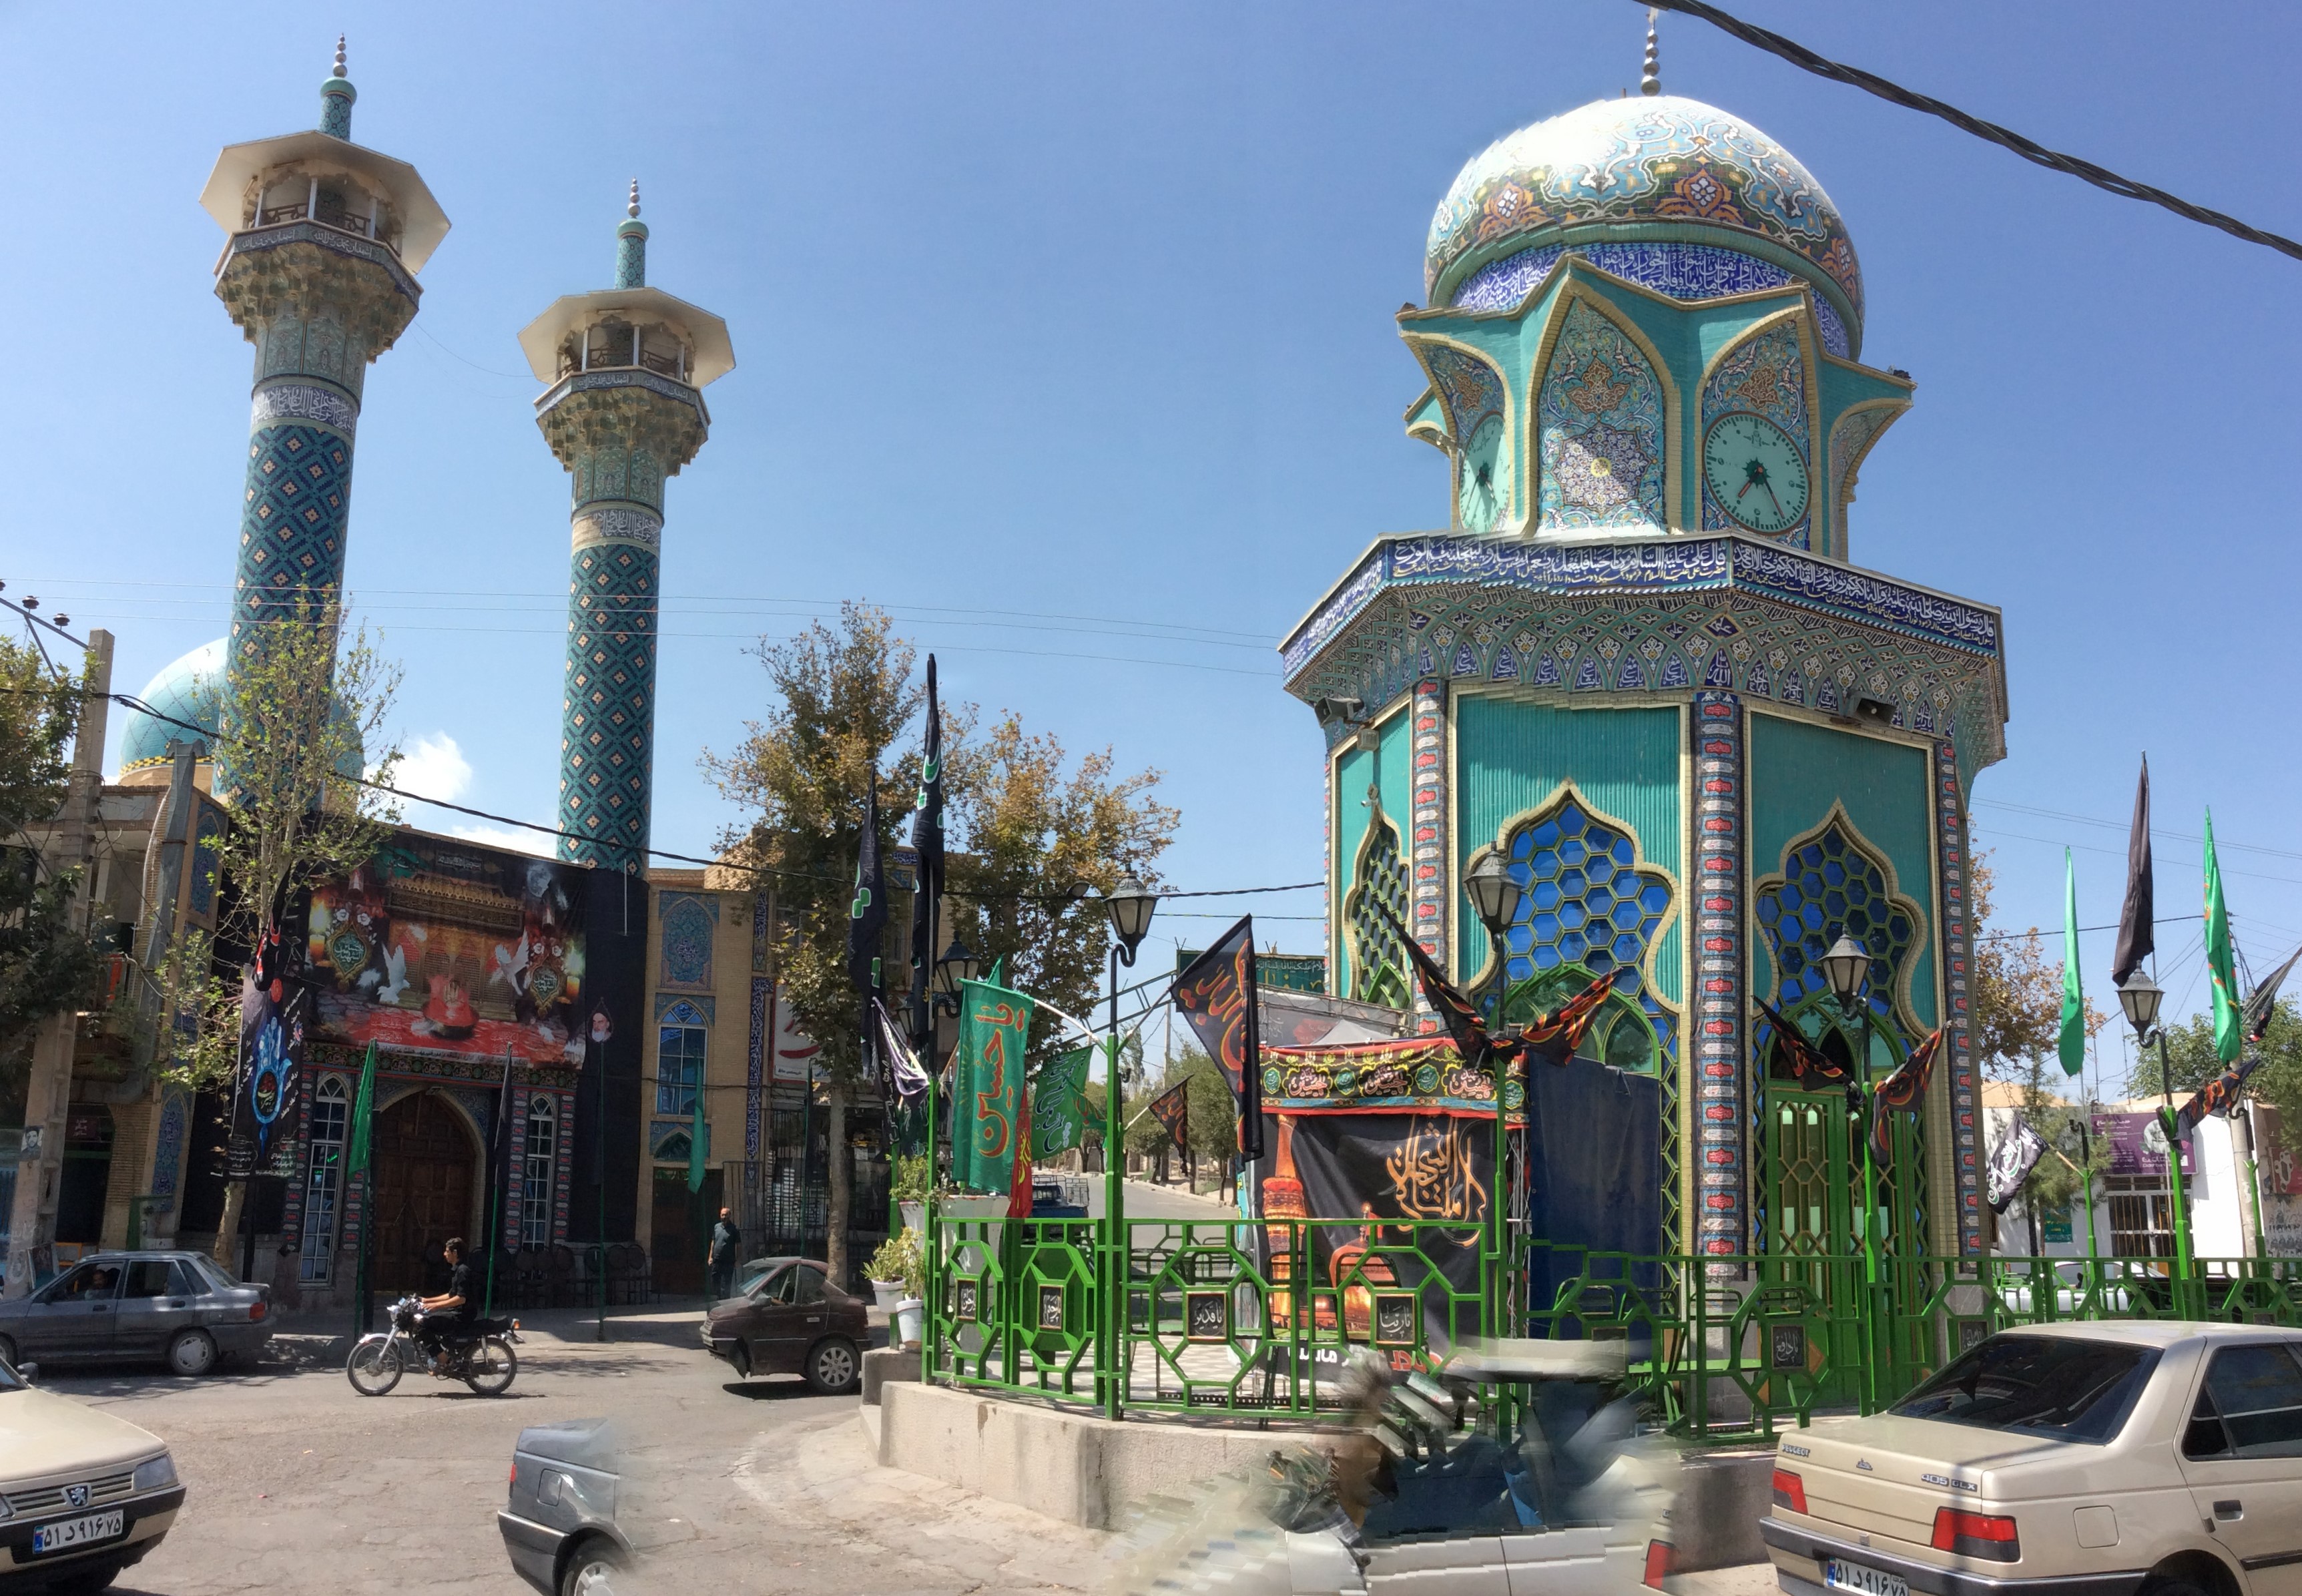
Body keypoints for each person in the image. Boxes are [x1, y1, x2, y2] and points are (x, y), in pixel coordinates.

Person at [416, 1238, 473, 1362]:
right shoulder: (457, 1270)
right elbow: (451, 1295)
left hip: (461, 1316)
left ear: (455, 1253)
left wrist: (437, 1306)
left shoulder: (463, 1271)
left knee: (423, 1325)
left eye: (447, 1251)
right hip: (456, 1313)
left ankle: (444, 1361)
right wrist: (427, 1301)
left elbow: (461, 1299)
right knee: (428, 1321)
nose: (444, 1254)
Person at [707, 1207, 742, 1302]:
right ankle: (718, 1298)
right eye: (722, 1215)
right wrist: (710, 1257)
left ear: (730, 1216)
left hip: (728, 1261)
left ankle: (725, 1301)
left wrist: (738, 1260)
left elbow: (738, 1245)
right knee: (714, 1279)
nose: (724, 1217)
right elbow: (713, 1242)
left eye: (726, 1215)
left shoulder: (734, 1229)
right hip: (717, 1260)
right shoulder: (717, 1227)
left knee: (726, 1283)